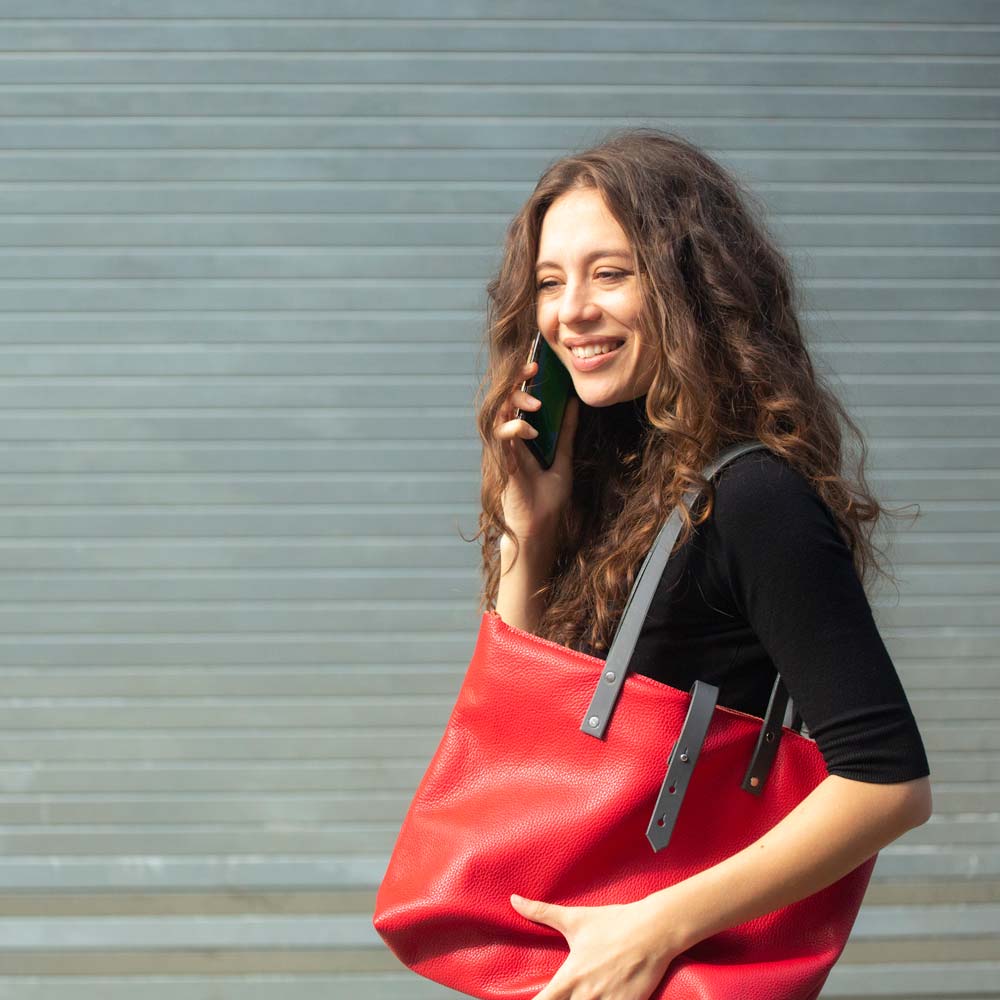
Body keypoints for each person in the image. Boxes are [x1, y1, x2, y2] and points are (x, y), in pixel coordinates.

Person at [472, 127, 933, 1000]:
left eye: (610, 273)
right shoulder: (606, 488)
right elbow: (518, 744)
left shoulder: (753, 498)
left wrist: (652, 929)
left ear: (688, 285)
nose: (571, 310)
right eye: (548, 282)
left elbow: (890, 784)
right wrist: (526, 541)